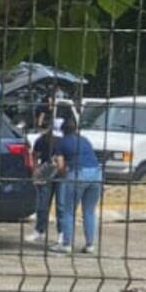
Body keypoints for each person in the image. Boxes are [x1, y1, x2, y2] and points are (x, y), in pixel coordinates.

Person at [54, 104, 105, 255]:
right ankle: (90, 245)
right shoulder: (85, 140)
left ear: (62, 131)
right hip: (96, 174)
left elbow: (61, 165)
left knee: (69, 211)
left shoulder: (61, 143)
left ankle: (67, 244)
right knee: (89, 211)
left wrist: (61, 171)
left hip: (78, 174)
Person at [25, 104, 63, 245]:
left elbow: (35, 157)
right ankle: (55, 233)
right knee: (54, 204)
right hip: (56, 172)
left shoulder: (43, 140)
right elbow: (36, 156)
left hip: (50, 171)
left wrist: (36, 171)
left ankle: (45, 231)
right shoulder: (46, 140)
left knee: (46, 204)